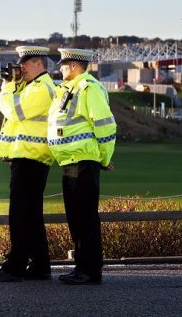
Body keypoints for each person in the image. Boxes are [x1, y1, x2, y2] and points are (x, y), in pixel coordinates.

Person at [0, 46, 56, 282]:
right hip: (28, 156)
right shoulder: (31, 86)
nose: (20, 68)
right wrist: (15, 83)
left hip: (30, 157)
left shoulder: (42, 88)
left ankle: (15, 266)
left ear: (38, 64)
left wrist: (6, 86)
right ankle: (40, 265)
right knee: (32, 215)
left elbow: (13, 111)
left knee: (20, 215)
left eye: (24, 64)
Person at [47, 48, 116, 285]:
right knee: (76, 218)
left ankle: (90, 271)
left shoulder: (90, 88)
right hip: (69, 162)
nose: (60, 68)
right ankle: (81, 268)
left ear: (75, 65)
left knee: (85, 218)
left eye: (63, 64)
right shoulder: (69, 89)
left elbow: (106, 126)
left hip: (84, 162)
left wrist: (103, 159)